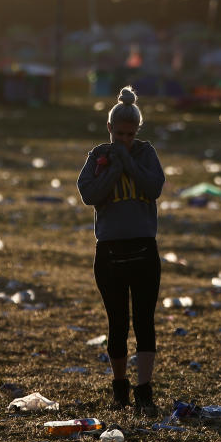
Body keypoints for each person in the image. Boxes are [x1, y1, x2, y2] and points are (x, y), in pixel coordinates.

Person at [76, 86, 165, 417]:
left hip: (144, 250)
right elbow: (91, 195)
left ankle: (144, 391)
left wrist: (128, 160)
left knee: (144, 321)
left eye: (130, 134)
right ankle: (120, 389)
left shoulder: (145, 153)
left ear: (137, 131)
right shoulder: (97, 156)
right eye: (119, 133)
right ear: (110, 129)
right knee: (117, 322)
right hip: (110, 253)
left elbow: (152, 188)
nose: (125, 139)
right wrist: (113, 165)